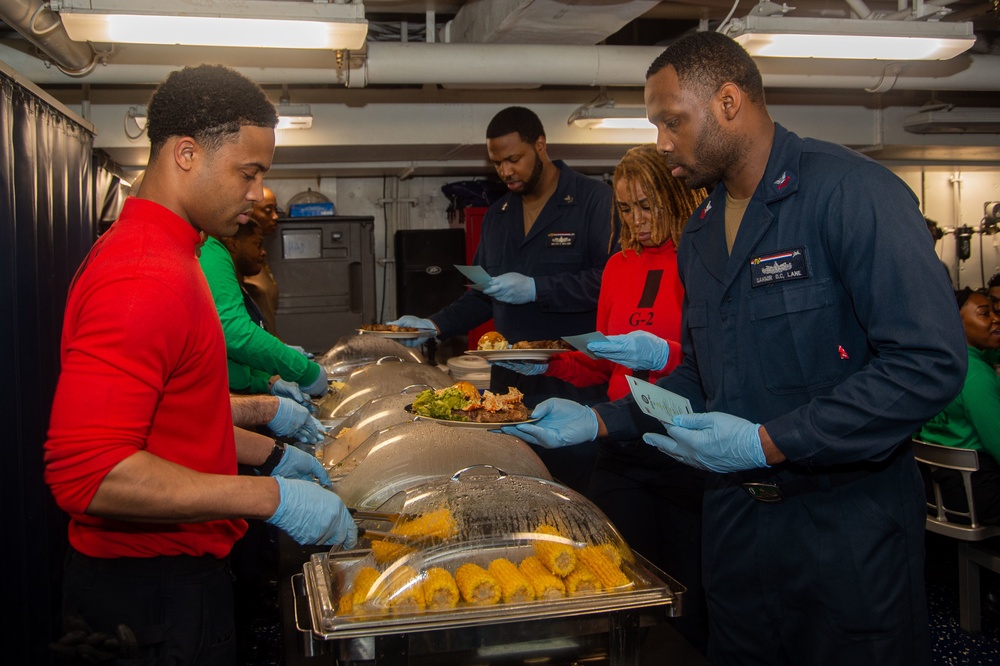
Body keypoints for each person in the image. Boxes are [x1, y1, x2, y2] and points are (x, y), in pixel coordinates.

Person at [503, 32, 966, 665]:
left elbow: (927, 365)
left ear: (727, 101)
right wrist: (602, 419)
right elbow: (700, 374)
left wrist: (768, 443)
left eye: (672, 120)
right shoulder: (700, 232)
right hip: (735, 525)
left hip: (843, 528)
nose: (662, 141)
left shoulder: (852, 195)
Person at [44, 64, 356, 665]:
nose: (257, 193)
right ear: (186, 153)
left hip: (168, 579)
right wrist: (270, 498)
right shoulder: (144, 275)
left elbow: (171, 416)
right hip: (149, 595)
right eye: (249, 172)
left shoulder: (172, 255)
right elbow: (89, 473)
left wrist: (270, 449)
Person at [497, 143, 710, 650]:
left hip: (684, 449)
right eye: (625, 208)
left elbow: (717, 366)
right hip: (620, 446)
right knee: (619, 580)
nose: (636, 220)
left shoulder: (701, 263)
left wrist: (664, 355)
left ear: (677, 197)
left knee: (690, 592)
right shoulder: (617, 267)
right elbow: (605, 363)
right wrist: (549, 361)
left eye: (647, 206)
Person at [389, 106, 616, 495]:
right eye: (498, 164)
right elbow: (481, 297)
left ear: (540, 146)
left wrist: (537, 288)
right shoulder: (498, 216)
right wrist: (433, 326)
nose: (507, 172)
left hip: (574, 379)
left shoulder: (594, 200)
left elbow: (608, 284)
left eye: (515, 159)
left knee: (579, 491)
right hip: (510, 388)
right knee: (520, 488)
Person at [199, 212, 329, 400]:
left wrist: (267, 383)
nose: (254, 196)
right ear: (232, 243)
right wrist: (304, 371)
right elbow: (235, 331)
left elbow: (235, 365)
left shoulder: (220, 263)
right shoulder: (210, 250)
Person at [919, 288, 1000, 523]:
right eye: (985, 314)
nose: (996, 318)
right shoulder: (976, 376)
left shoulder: (936, 364)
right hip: (978, 495)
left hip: (938, 490)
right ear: (956, 322)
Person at [243, 186, 281, 334]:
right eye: (267, 210)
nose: (275, 216)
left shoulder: (260, 256)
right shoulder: (242, 260)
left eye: (276, 210)